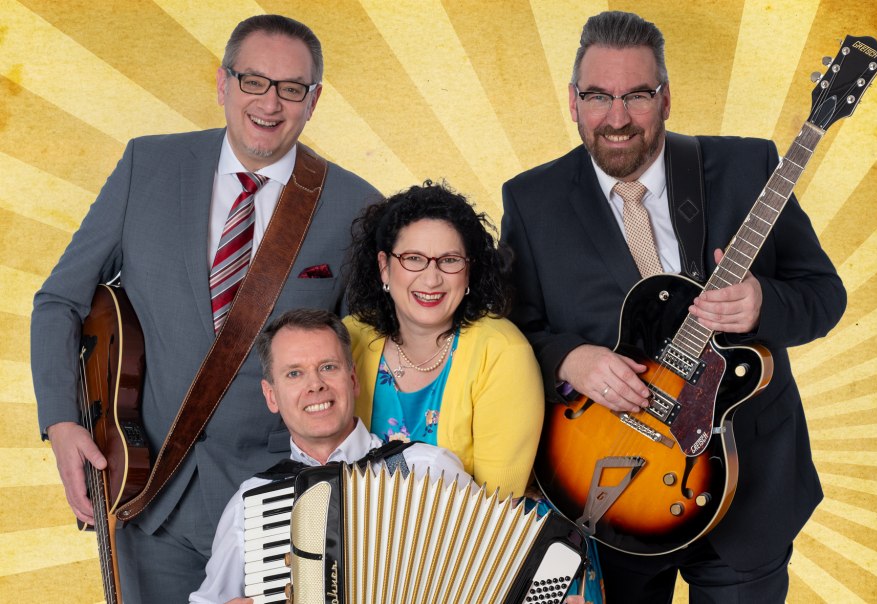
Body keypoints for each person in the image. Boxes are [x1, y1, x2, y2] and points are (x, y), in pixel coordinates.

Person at [30, 15, 379, 602]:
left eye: (292, 88)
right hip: (148, 495)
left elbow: (370, 356)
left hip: (283, 516)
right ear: (222, 84)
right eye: (253, 81)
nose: (270, 103)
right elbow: (58, 301)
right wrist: (63, 425)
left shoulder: (357, 206)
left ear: (313, 101)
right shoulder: (147, 166)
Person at [501, 11, 846, 603]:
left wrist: (764, 302)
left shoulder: (748, 169)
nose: (616, 117)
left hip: (748, 484)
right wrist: (570, 359)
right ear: (572, 100)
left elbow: (824, 296)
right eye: (597, 95)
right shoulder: (531, 201)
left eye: (636, 94)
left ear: (666, 98)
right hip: (609, 487)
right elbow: (509, 330)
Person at [189, 308, 470, 604]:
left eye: (328, 367)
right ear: (271, 396)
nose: (315, 385)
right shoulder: (252, 504)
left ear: (353, 380)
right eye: (294, 373)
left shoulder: (428, 470)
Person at [343, 181, 544, 499]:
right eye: (413, 258)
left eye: (449, 260)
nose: (431, 278)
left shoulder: (504, 354)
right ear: (384, 267)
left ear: (469, 271)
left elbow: (499, 508)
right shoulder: (346, 339)